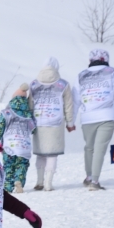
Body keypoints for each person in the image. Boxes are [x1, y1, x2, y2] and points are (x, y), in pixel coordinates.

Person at [73, 49, 114, 191]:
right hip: (107, 115)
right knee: (99, 149)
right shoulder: (112, 72)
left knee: (89, 147)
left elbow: (76, 100)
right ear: (106, 59)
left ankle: (89, 177)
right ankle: (95, 181)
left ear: (90, 60)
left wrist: (71, 121)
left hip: (87, 118)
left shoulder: (82, 75)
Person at [29, 57, 75, 191]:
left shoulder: (33, 84)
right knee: (52, 153)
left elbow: (30, 105)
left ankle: (39, 181)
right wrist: (70, 123)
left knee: (40, 153)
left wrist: (30, 122)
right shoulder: (63, 84)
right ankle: (48, 183)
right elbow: (68, 106)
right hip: (56, 123)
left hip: (38, 123)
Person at [0, 84, 36, 193]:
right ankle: (19, 181)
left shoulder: (6, 112)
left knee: (8, 166)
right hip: (24, 146)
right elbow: (33, 129)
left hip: (9, 145)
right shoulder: (29, 115)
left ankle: (7, 187)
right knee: (22, 165)